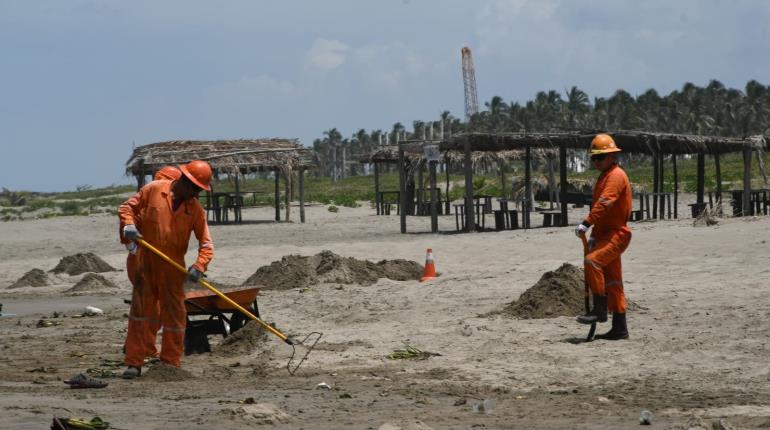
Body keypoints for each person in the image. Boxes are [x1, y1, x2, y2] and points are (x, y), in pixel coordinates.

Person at [118, 160, 214, 378]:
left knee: (174, 316)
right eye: (195, 188)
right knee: (141, 314)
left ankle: (170, 363)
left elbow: (206, 244)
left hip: (173, 268)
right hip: (145, 265)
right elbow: (126, 208)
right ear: (184, 180)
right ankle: (134, 363)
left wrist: (199, 266)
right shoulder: (153, 190)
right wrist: (129, 225)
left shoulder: (196, 210)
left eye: (200, 189)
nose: (196, 193)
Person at [574, 134, 632, 340]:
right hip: (604, 234)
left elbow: (605, 203)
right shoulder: (605, 175)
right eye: (593, 159)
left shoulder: (616, 176)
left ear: (611, 156)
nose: (596, 162)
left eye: (599, 158)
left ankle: (599, 311)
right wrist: (594, 235)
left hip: (617, 234)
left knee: (592, 262)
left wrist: (586, 223)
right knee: (614, 282)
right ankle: (620, 328)